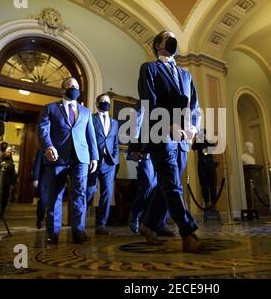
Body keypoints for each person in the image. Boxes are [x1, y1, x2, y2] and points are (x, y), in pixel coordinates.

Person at [137, 30, 205, 253]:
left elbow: (194, 106)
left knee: (167, 184)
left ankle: (146, 225)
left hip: (183, 138)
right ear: (158, 44)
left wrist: (193, 126)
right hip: (161, 133)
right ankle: (188, 232)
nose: (172, 39)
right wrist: (168, 125)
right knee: (171, 183)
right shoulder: (150, 68)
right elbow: (149, 101)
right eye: (167, 36)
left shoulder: (186, 75)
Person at [38, 77, 98, 244]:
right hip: (57, 157)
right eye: (70, 86)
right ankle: (53, 233)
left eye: (77, 86)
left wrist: (94, 156)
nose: (74, 88)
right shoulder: (50, 108)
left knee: (79, 194)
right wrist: (48, 146)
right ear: (62, 90)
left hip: (81, 158)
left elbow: (90, 135)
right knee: (55, 195)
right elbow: (43, 130)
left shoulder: (85, 112)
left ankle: (78, 232)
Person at [126, 104, 175, 236]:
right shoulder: (139, 107)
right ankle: (135, 215)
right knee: (148, 185)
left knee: (163, 186)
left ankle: (160, 223)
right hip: (145, 154)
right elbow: (133, 131)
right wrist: (132, 152)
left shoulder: (163, 104)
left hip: (162, 151)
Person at [86, 93, 119, 235]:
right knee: (89, 191)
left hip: (109, 163)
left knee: (107, 193)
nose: (105, 103)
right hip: (93, 161)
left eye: (107, 101)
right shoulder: (90, 119)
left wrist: (115, 158)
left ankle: (101, 225)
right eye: (102, 101)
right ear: (97, 104)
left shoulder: (115, 122)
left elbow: (115, 142)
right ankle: (79, 222)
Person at [192, 129, 218, 208]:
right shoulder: (199, 141)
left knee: (212, 183)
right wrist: (198, 139)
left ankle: (214, 203)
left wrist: (206, 140)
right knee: (204, 184)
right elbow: (193, 147)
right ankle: (206, 202)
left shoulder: (209, 140)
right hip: (201, 163)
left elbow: (212, 149)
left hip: (210, 163)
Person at [32, 149, 49, 229]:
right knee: (43, 201)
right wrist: (35, 178)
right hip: (43, 179)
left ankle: (50, 221)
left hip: (55, 179)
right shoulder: (42, 150)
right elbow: (37, 164)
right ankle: (40, 219)